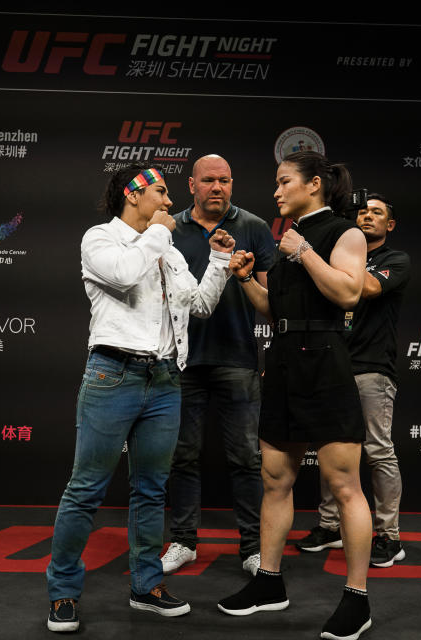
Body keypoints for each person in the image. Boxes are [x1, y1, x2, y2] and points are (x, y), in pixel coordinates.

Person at [45, 164, 235, 633]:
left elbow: (200, 305)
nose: (170, 203)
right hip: (113, 374)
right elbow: (127, 276)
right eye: (162, 193)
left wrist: (218, 262)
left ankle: (146, 587)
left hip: (166, 381)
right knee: (85, 489)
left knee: (151, 491)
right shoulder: (100, 240)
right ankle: (62, 593)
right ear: (133, 195)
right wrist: (157, 236)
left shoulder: (164, 246)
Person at [218, 152, 374, 640]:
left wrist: (303, 251)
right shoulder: (284, 238)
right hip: (283, 359)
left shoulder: (343, 232)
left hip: (325, 361)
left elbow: (349, 293)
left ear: (314, 185)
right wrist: (244, 276)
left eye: (285, 182)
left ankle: (357, 599)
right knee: (275, 480)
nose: (276, 191)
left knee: (344, 484)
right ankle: (268, 582)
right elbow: (273, 307)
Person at [162, 154, 276, 576]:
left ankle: (252, 547)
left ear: (233, 183)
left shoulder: (254, 227)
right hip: (182, 360)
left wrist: (243, 276)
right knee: (183, 456)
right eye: (208, 180)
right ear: (191, 184)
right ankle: (183, 541)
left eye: (224, 180)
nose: (217, 187)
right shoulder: (169, 229)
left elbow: (270, 303)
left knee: (246, 458)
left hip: (238, 359)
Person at [295, 194, 410, 569]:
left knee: (377, 450)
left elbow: (367, 289)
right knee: (333, 450)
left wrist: (333, 268)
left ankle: (389, 536)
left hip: (372, 368)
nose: (368, 216)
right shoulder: (339, 257)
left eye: (378, 212)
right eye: (363, 211)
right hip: (333, 366)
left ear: (389, 225)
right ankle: (330, 527)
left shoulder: (395, 260)